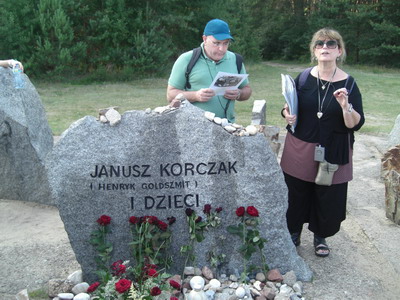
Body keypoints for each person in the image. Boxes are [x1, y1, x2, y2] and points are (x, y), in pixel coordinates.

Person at [280, 28, 365, 257]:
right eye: (320, 44)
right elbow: (290, 105)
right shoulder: (305, 77)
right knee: (295, 192)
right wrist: (286, 113)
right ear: (314, 50)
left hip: (334, 148)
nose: (324, 47)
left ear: (339, 50)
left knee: (327, 195)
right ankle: (293, 232)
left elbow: (355, 123)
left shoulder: (349, 83)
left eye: (330, 44)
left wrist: (345, 106)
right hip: (301, 145)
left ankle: (320, 236)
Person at [167, 19, 252, 123]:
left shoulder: (236, 60)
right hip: (192, 127)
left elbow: (247, 90)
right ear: (205, 39)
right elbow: (170, 94)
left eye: (226, 43)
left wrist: (239, 93)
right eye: (216, 43)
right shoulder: (186, 59)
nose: (222, 48)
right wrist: (196, 96)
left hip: (228, 128)